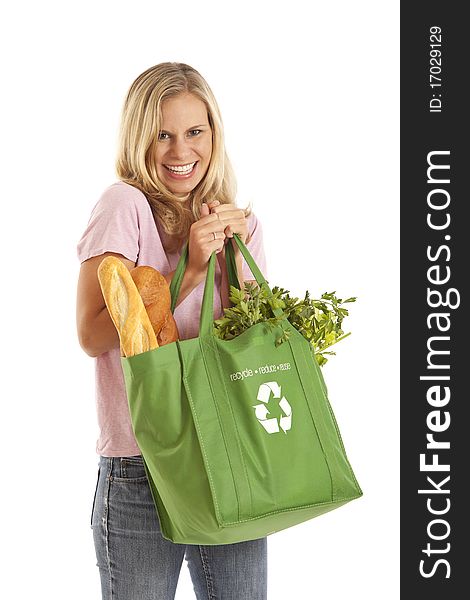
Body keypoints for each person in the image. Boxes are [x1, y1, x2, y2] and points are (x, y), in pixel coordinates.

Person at [75, 62, 269, 600]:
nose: (180, 151)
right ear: (140, 137)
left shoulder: (238, 223)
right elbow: (91, 335)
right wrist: (191, 271)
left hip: (227, 454)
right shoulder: (124, 207)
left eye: (194, 132)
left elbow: (255, 344)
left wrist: (235, 260)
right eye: (162, 134)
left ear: (213, 134)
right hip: (142, 462)